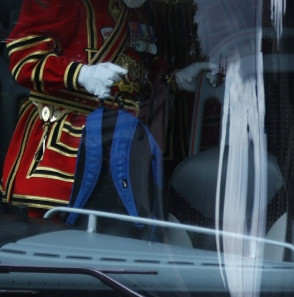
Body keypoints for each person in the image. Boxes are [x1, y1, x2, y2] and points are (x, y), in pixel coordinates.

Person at [1, 0, 202, 215]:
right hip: (63, 147)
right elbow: (25, 60)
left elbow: (136, 75)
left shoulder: (138, 10)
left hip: (120, 149)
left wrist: (175, 79)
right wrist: (80, 74)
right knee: (53, 228)